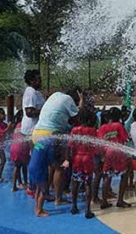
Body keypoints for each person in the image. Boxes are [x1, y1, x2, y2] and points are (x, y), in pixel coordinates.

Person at [29, 87, 82, 217]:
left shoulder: (55, 95)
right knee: (59, 168)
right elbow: (78, 114)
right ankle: (57, 199)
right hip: (50, 135)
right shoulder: (69, 100)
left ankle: (44, 199)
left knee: (47, 168)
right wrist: (82, 100)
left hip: (37, 133)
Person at [98, 107, 131, 209]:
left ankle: (104, 201)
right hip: (119, 152)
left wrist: (103, 156)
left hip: (107, 153)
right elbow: (126, 139)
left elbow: (100, 142)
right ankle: (120, 200)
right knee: (124, 175)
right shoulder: (119, 125)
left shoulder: (102, 127)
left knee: (107, 177)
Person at [69, 108, 98, 219]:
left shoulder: (74, 130)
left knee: (75, 182)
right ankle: (87, 210)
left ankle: (74, 206)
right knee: (88, 184)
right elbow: (95, 146)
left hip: (77, 158)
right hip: (88, 159)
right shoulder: (92, 130)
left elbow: (70, 145)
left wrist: (69, 158)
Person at [10, 110, 30, 191]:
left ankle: (17, 184)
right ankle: (25, 182)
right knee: (24, 165)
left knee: (17, 166)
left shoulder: (15, 126)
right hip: (22, 148)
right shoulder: (26, 125)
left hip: (13, 148)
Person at [21, 69, 45, 137]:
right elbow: (29, 112)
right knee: (36, 148)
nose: (41, 81)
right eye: (39, 79)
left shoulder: (36, 92)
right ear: (32, 81)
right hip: (30, 131)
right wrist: (45, 111)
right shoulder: (30, 92)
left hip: (35, 129)